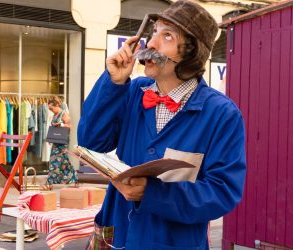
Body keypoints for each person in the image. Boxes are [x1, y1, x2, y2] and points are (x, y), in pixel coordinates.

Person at [78, 0, 246, 249]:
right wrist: (112, 83)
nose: (151, 43)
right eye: (153, 32)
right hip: (119, 235)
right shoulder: (132, 91)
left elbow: (222, 192)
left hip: (175, 242)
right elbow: (91, 141)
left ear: (191, 52)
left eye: (167, 36)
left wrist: (152, 193)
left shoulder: (222, 114)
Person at [43, 96, 77, 190]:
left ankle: (48, 183)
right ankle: (73, 178)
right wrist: (51, 138)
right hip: (56, 142)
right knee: (64, 163)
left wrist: (61, 124)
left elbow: (70, 126)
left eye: (51, 108)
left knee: (54, 162)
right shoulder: (55, 115)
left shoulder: (63, 114)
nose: (50, 110)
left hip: (61, 144)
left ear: (56, 105)